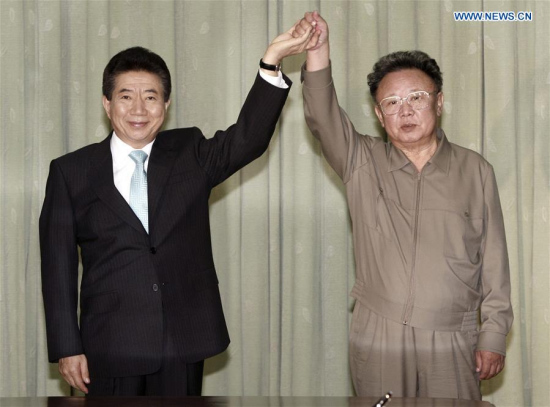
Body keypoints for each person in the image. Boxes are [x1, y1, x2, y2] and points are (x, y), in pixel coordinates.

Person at [39, 22, 320, 396]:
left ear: (166, 105)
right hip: (109, 342)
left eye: (151, 97)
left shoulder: (189, 152)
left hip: (182, 339)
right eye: (126, 96)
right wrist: (67, 345)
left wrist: (271, 62)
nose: (139, 108)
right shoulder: (71, 171)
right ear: (107, 103)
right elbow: (56, 264)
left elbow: (248, 139)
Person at [294, 12, 513, 400]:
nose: (406, 110)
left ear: (439, 102)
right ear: (379, 115)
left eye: (417, 98)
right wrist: (318, 51)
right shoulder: (361, 160)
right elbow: (323, 117)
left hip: (452, 336)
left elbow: (493, 260)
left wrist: (493, 333)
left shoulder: (475, 170)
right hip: (379, 334)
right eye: (391, 102)